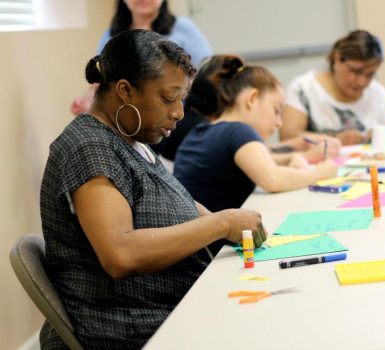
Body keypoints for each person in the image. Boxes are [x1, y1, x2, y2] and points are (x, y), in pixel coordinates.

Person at [40, 30, 266, 349]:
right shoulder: (90, 148)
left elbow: (180, 202)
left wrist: (231, 225)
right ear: (125, 91)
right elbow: (121, 254)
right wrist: (222, 224)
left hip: (168, 312)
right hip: (131, 331)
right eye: (168, 98)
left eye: (181, 99)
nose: (179, 112)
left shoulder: (132, 141)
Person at [173, 55, 338, 213]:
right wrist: (321, 172)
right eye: (276, 110)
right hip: (220, 241)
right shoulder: (239, 131)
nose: (279, 122)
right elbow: (273, 179)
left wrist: (291, 158)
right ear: (252, 99)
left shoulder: (203, 131)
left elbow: (258, 161)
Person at [161, 54, 341, 164]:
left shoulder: (202, 123)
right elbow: (261, 161)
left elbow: (258, 152)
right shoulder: (206, 129)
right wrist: (307, 156)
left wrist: (293, 146)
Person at [70, 0, 212, 116]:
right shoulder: (111, 35)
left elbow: (207, 71)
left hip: (179, 114)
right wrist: (88, 97)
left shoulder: (183, 27)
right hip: (129, 118)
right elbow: (101, 76)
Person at [280, 30, 385, 146]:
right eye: (355, 71)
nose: (361, 82)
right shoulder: (303, 89)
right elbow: (287, 138)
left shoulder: (377, 93)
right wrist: (335, 140)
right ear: (337, 59)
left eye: (370, 74)